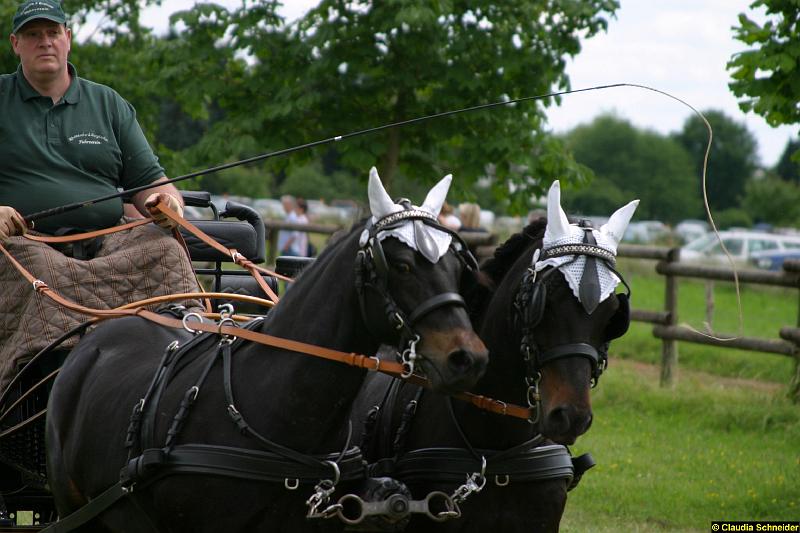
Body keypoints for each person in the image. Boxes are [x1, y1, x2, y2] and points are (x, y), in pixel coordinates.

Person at [0, 0, 201, 390]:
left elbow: (150, 182)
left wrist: (164, 204)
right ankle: (42, 398)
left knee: (166, 249)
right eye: (33, 35)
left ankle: (182, 378)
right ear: (15, 44)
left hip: (110, 241)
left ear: (68, 39)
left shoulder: (108, 103)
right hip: (23, 243)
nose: (45, 42)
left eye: (53, 33)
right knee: (46, 273)